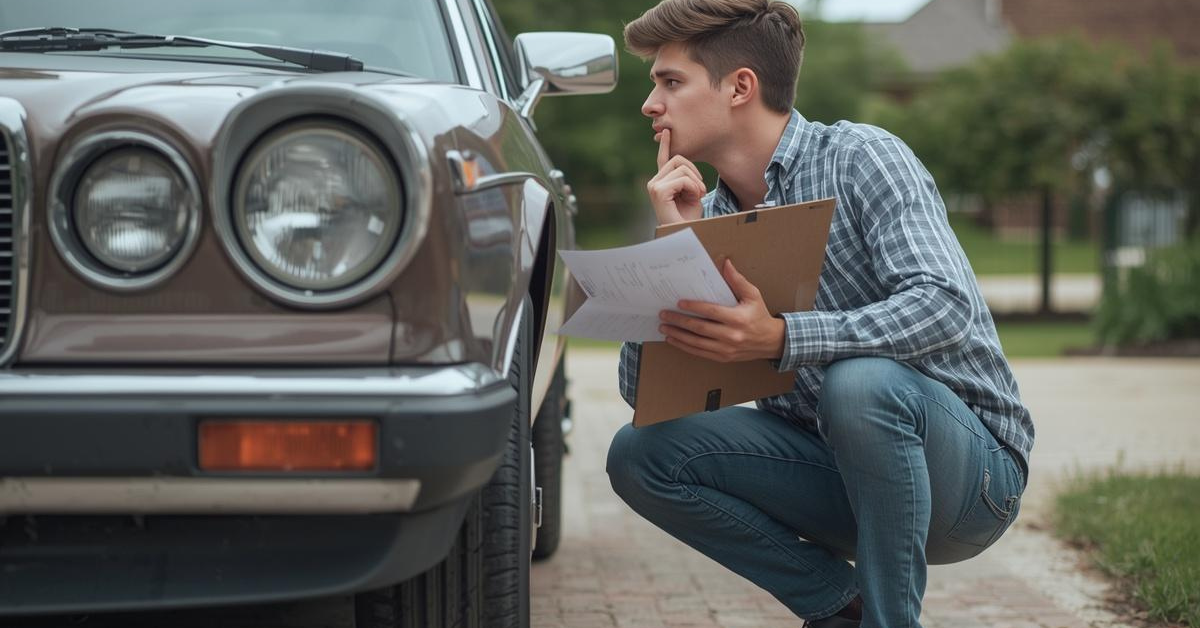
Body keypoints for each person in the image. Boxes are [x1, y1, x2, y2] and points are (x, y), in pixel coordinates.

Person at [604, 1, 1034, 626]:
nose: (651, 104)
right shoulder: (708, 215)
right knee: (640, 453)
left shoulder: (863, 157)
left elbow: (945, 304)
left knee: (860, 382)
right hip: (835, 478)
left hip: (969, 483)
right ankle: (842, 607)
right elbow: (640, 393)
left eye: (670, 82)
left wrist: (782, 337)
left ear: (740, 88)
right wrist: (678, 250)